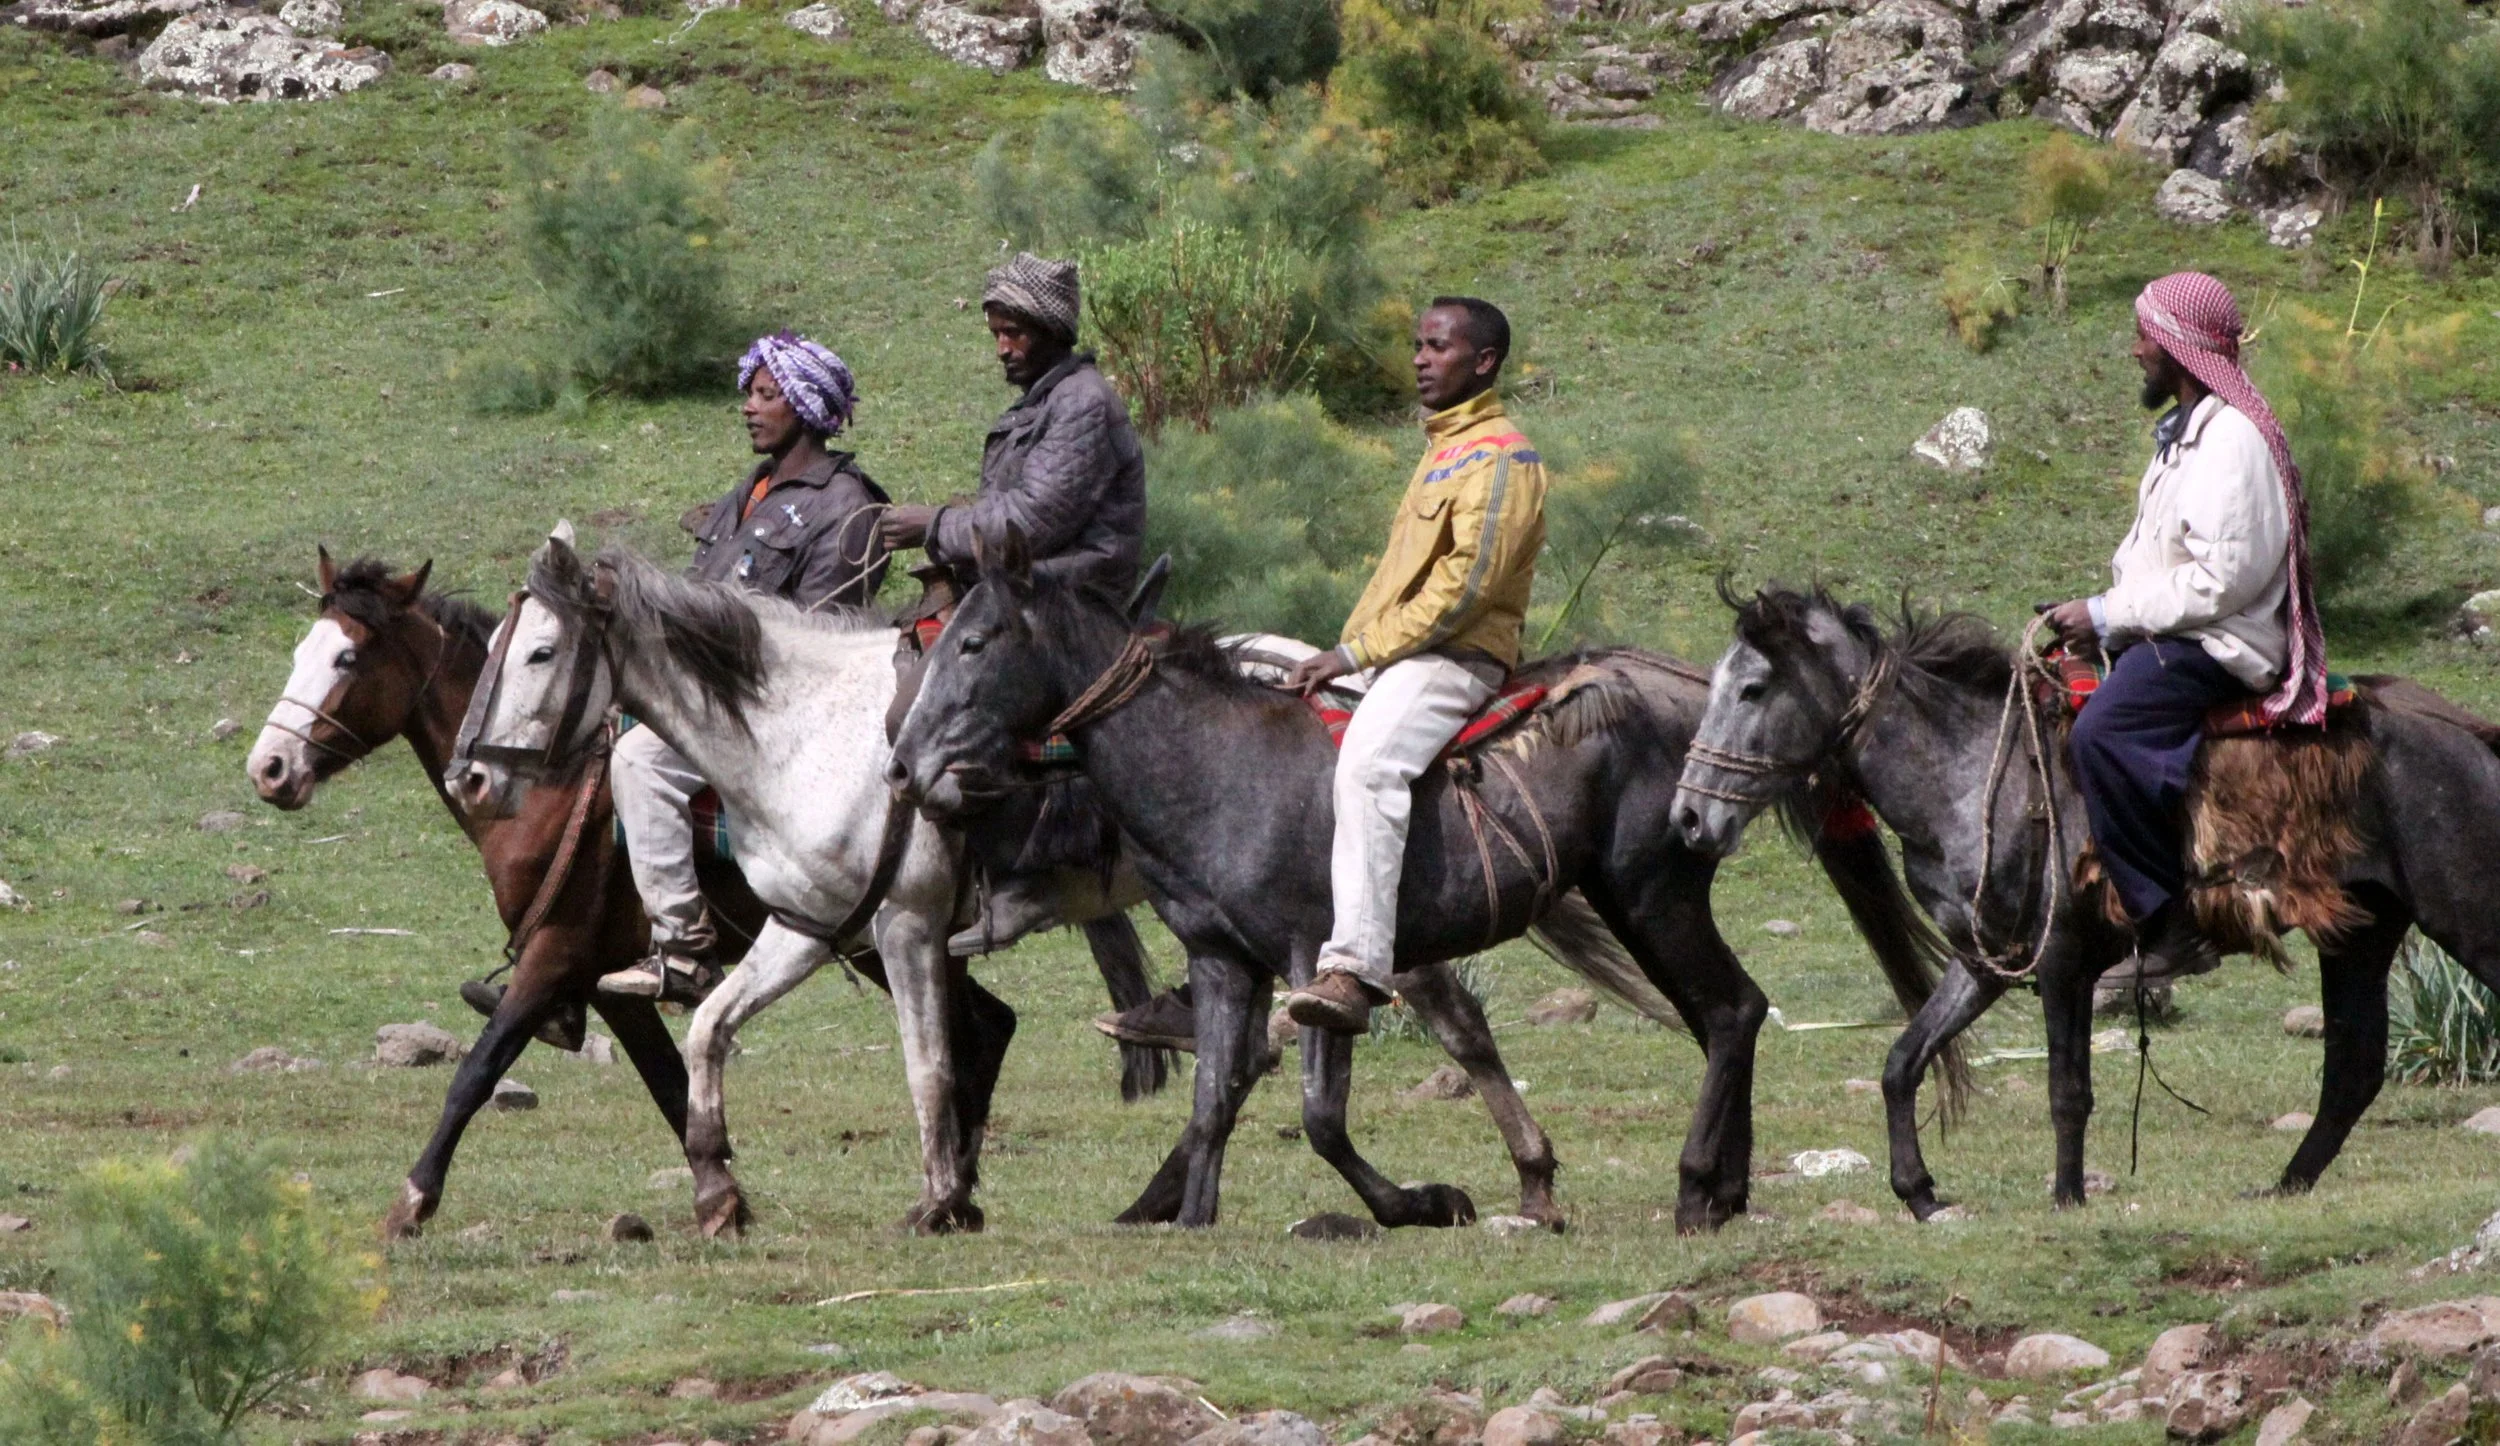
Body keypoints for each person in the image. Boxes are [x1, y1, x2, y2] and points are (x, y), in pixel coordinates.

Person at [1269, 296, 1550, 1034]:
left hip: (1455, 659)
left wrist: (1352, 654)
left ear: (1484, 361)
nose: (1420, 360)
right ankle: (1237, 946)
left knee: (1369, 767)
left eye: (1437, 347)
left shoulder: (1502, 458)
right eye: (1418, 345)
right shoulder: (1443, 449)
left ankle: (1355, 971)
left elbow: (1465, 593)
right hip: (1394, 655)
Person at [2041, 271, 2328, 986]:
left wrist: (2105, 614)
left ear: (2178, 346)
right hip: (2177, 635)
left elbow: (2222, 579)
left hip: (2217, 646)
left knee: (2100, 733)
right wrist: (2101, 621)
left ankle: (2166, 924)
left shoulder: (2231, 442)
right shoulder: (2187, 438)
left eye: (2144, 336)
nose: (2135, 351)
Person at [878, 251, 1147, 955]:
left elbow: (1031, 521)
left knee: (931, 712)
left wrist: (934, 525)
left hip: (1070, 603)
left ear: (1052, 331)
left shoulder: (1083, 404)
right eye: (996, 332)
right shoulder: (1046, 403)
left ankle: (1017, 875)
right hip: (1029, 593)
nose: (1002, 347)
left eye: (1015, 333)